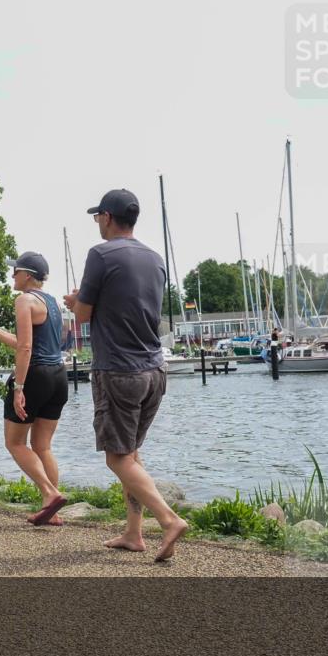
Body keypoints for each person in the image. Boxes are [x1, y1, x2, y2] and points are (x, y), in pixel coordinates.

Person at [63, 189, 188, 562]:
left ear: (106, 216)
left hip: (118, 370)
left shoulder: (100, 254)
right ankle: (134, 533)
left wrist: (74, 303)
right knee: (132, 454)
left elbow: (83, 315)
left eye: (97, 217)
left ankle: (168, 519)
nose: (97, 224)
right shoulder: (155, 258)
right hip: (155, 370)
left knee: (117, 459)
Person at [0, 253, 69, 526]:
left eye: (15, 272)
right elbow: (23, 342)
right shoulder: (51, 303)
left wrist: (18, 388)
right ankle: (52, 510)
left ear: (27, 275)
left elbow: (27, 349)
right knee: (42, 446)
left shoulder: (24, 300)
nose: (12, 276)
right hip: (59, 376)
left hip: (35, 376)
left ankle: (50, 494)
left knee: (15, 443)